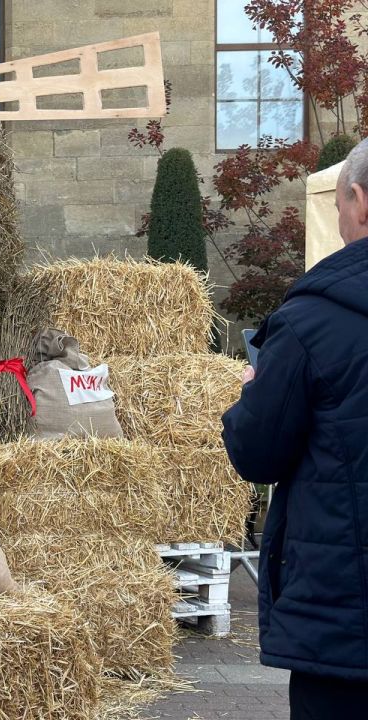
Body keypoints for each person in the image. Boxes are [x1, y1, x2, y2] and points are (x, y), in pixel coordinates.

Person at [222, 137, 368, 718]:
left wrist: (247, 399)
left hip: (346, 613)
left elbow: (255, 452)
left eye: (337, 208)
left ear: (358, 201)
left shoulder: (313, 319)